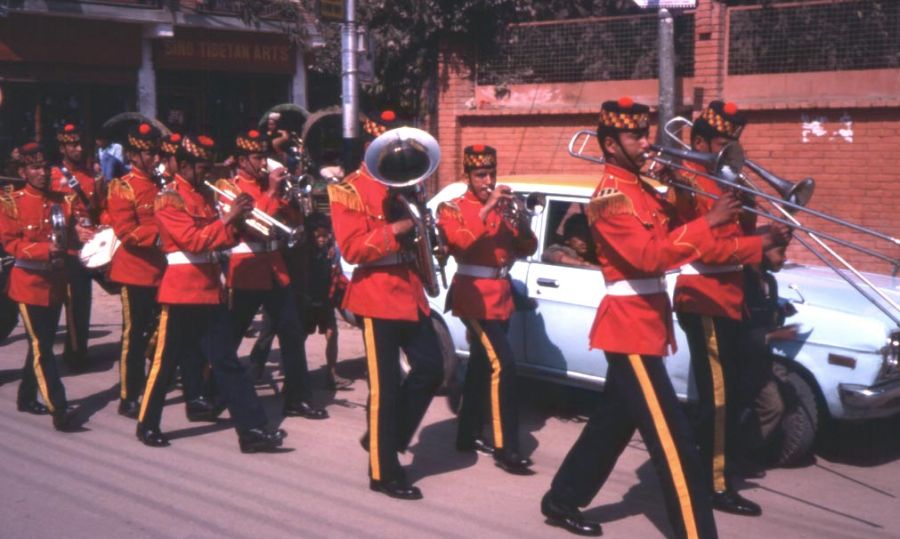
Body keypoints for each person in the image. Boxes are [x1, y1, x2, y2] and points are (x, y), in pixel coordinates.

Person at [540, 97, 790, 538]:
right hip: (627, 329)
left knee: (611, 426)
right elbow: (649, 257)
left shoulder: (641, 192)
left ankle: (561, 499)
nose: (645, 142)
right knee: (676, 446)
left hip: (647, 326)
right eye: (635, 135)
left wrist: (696, 200)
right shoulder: (609, 198)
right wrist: (707, 221)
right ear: (611, 145)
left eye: (644, 133)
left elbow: (682, 238)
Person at [672, 101, 792, 517]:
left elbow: (748, 248)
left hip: (731, 299)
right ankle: (713, 485)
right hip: (702, 296)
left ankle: (707, 466)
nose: (734, 154)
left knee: (728, 396)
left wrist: (774, 232)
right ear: (701, 142)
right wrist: (758, 241)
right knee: (717, 399)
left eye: (735, 145)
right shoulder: (689, 181)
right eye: (725, 144)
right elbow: (707, 247)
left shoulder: (730, 184)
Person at [137, 133, 287, 452]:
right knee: (165, 364)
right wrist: (230, 217)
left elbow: (221, 240)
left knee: (227, 363)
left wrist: (238, 222)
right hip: (180, 292)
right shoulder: (169, 198)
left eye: (207, 166)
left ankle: (252, 431)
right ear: (184, 165)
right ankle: (147, 423)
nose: (206, 172)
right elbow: (193, 241)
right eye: (201, 166)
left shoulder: (204, 196)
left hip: (209, 289)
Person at [328, 109, 444, 500]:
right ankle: (384, 472)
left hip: (409, 291)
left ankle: (386, 436)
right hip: (376, 296)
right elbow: (352, 248)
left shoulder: (408, 184)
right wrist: (398, 228)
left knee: (432, 368)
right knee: (385, 388)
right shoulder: (349, 189)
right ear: (369, 147)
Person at [437, 144, 538, 475]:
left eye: (491, 174)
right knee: (504, 366)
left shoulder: (502, 209)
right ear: (468, 175)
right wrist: (488, 207)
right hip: (472, 296)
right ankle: (506, 447)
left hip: (501, 294)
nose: (488, 180)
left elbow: (528, 247)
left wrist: (521, 221)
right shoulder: (451, 208)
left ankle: (466, 435)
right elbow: (460, 242)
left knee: (481, 367)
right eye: (481, 175)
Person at [215, 130, 327, 420]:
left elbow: (291, 222)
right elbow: (250, 225)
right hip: (247, 268)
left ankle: (297, 398)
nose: (263, 163)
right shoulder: (228, 187)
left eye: (264, 156)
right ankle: (214, 394)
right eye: (256, 158)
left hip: (276, 268)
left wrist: (293, 200)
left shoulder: (271, 184)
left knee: (292, 332)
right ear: (241, 161)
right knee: (231, 336)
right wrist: (272, 193)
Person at [0, 142, 79, 431]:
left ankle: (24, 396)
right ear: (23, 171)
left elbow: (71, 238)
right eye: (35, 167)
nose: (43, 173)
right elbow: (11, 244)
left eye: (45, 166)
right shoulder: (10, 202)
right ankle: (58, 406)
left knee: (40, 343)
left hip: (55, 283)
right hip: (28, 284)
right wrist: (47, 250)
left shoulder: (62, 201)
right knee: (43, 346)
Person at [50, 123, 104, 371]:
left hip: (89, 249)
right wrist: (72, 231)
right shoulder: (50, 176)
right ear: (62, 147)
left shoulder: (92, 177)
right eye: (72, 144)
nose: (78, 149)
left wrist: (101, 229)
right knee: (68, 304)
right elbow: (47, 215)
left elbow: (101, 210)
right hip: (65, 249)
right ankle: (70, 354)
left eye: (80, 144)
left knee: (83, 304)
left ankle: (79, 350)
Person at [301, 212, 352, 390]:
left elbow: (335, 274)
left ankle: (331, 373)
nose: (322, 239)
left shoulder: (332, 251)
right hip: (307, 302)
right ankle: (296, 376)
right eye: (318, 236)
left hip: (324, 300)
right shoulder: (304, 253)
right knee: (299, 338)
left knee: (332, 335)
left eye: (325, 235)